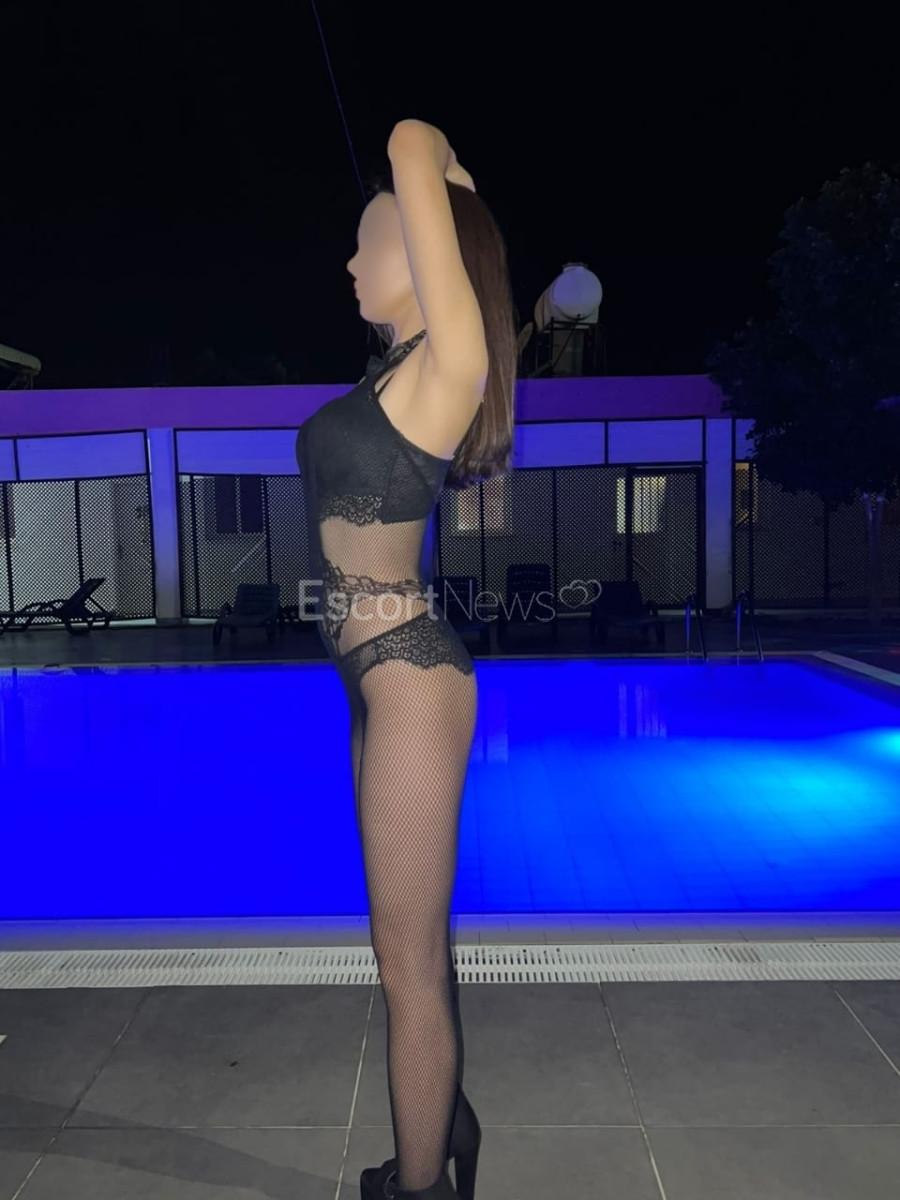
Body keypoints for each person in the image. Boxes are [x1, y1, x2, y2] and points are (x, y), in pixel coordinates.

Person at [295, 118, 517, 1199]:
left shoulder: (450, 365)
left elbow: (410, 138)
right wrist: (447, 191)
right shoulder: (396, 374)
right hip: (373, 680)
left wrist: (437, 175)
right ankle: (449, 1122)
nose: (350, 261)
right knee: (415, 946)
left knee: (407, 966)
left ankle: (422, 1188)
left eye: (369, 238)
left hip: (410, 679)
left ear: (427, 255)